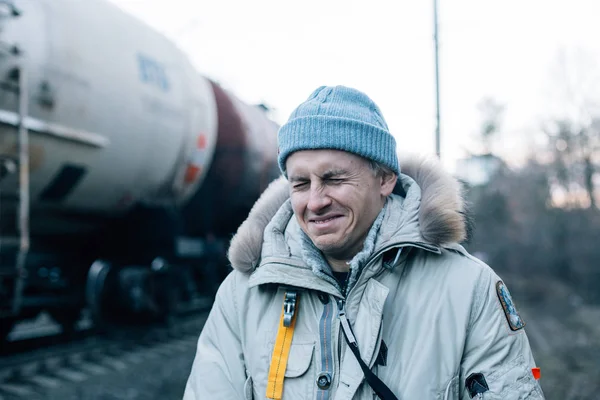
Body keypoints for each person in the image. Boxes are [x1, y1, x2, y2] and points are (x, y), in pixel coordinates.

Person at [183, 86, 545, 399]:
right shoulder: (242, 293)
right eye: (300, 183)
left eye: (334, 178)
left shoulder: (469, 290)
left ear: (385, 179)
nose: (315, 200)